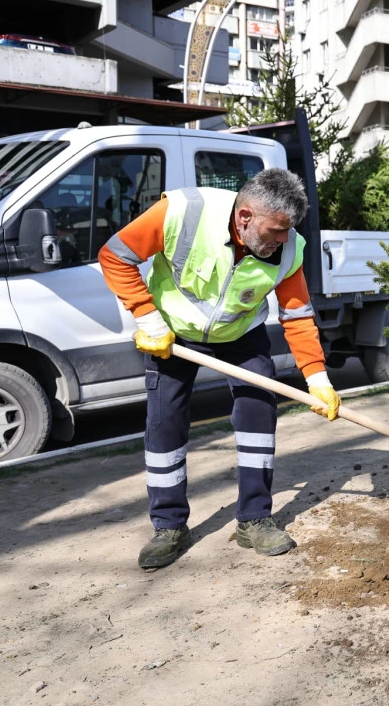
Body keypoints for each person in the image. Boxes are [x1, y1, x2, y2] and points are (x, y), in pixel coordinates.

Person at [99, 168, 343, 569]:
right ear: (245, 217)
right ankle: (169, 526)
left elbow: (297, 315)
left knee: (258, 419)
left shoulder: (290, 248)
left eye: (289, 230)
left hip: (242, 334)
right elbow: (116, 255)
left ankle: (254, 520)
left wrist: (317, 378)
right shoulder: (182, 212)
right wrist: (148, 319)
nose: (283, 240)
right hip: (173, 336)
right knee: (165, 425)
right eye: (276, 230)